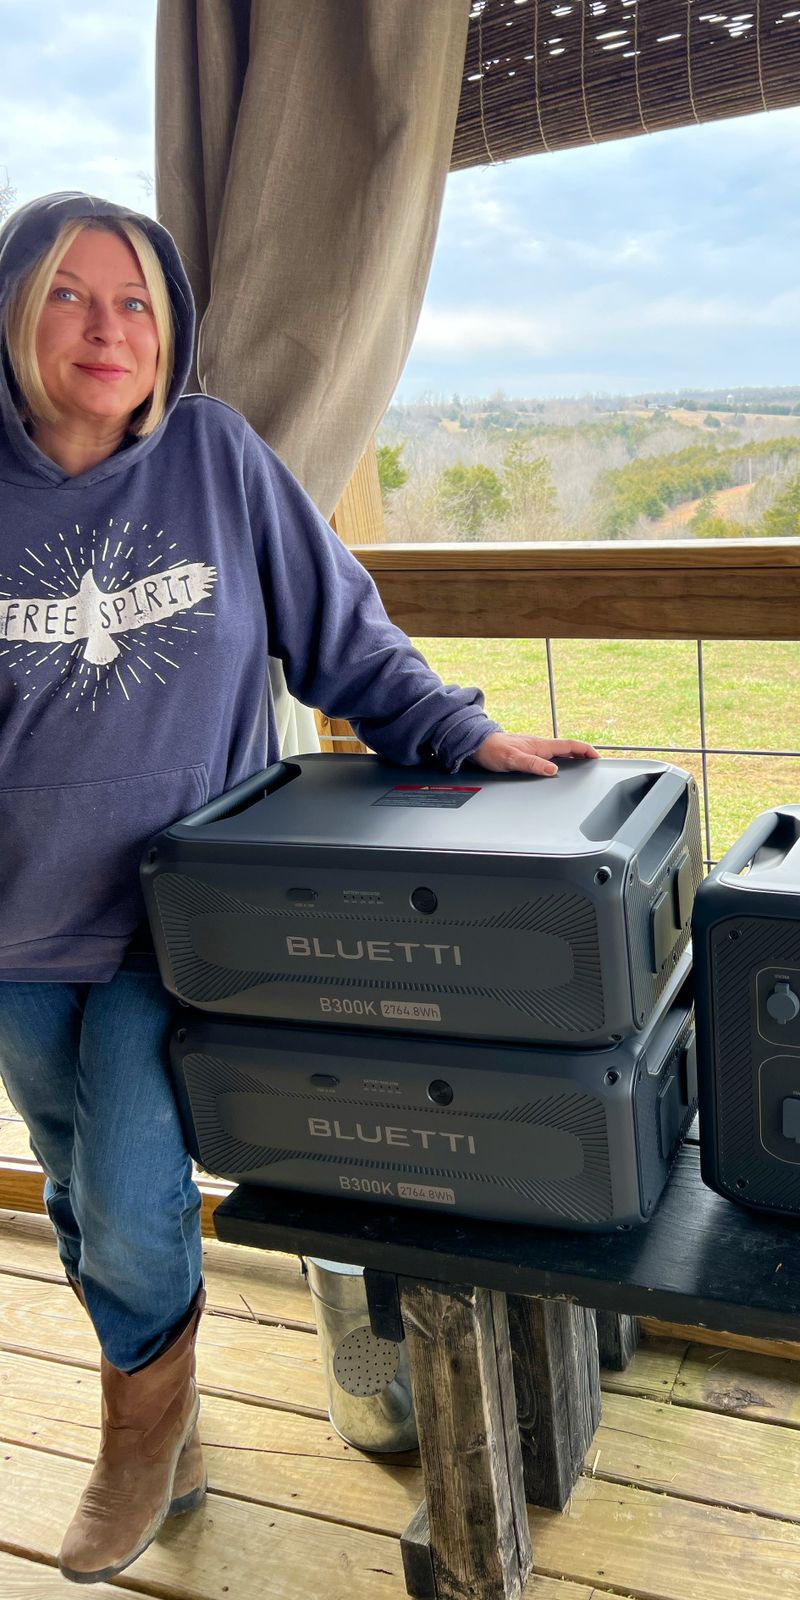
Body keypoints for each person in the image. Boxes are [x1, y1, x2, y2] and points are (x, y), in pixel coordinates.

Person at [0, 192, 596, 1584]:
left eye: (137, 302)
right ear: (14, 314)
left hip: (185, 914)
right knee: (80, 1183)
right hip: (15, 927)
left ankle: (135, 1439)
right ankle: (171, 1421)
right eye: (70, 295)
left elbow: (344, 634)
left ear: (169, 332)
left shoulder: (215, 457)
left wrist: (456, 732)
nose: (108, 328)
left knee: (133, 1185)